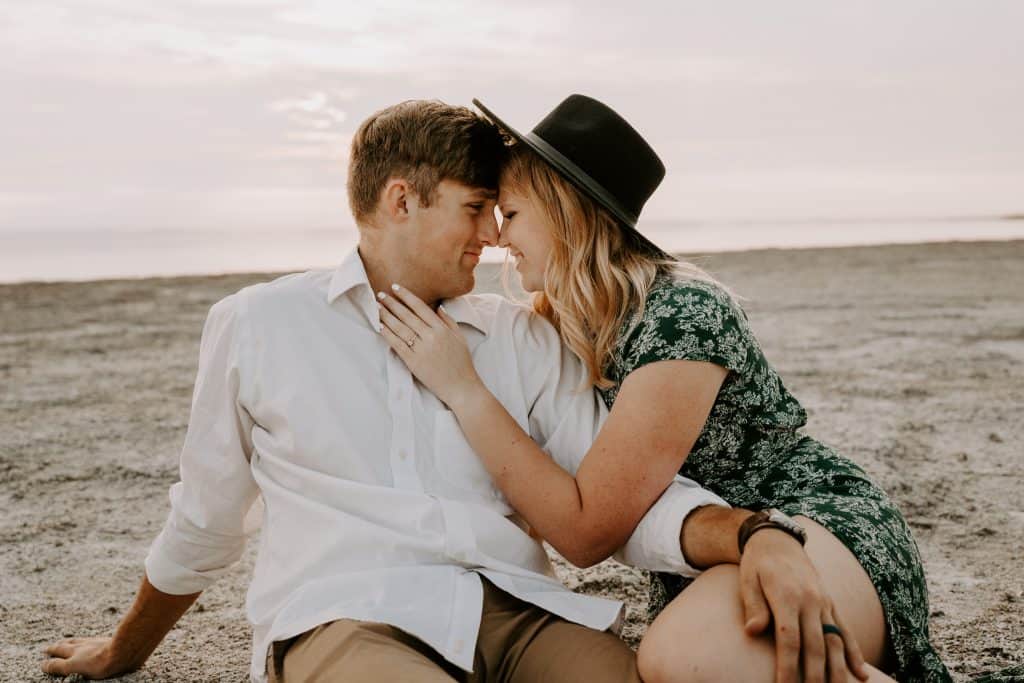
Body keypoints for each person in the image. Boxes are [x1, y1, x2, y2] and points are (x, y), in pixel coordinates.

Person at [38, 99, 777, 683]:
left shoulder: (521, 336)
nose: (492, 232)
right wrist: (124, 648)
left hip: (522, 613)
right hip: (348, 615)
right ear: (401, 200)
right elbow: (205, 520)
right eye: (474, 206)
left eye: (498, 211)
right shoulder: (258, 324)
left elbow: (614, 499)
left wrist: (750, 534)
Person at [376, 94, 953, 683]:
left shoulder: (682, 312)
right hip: (703, 555)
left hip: (810, 525)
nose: (498, 237)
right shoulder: (563, 322)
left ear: (566, 212)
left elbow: (586, 530)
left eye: (513, 214)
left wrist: (463, 387)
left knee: (680, 659)